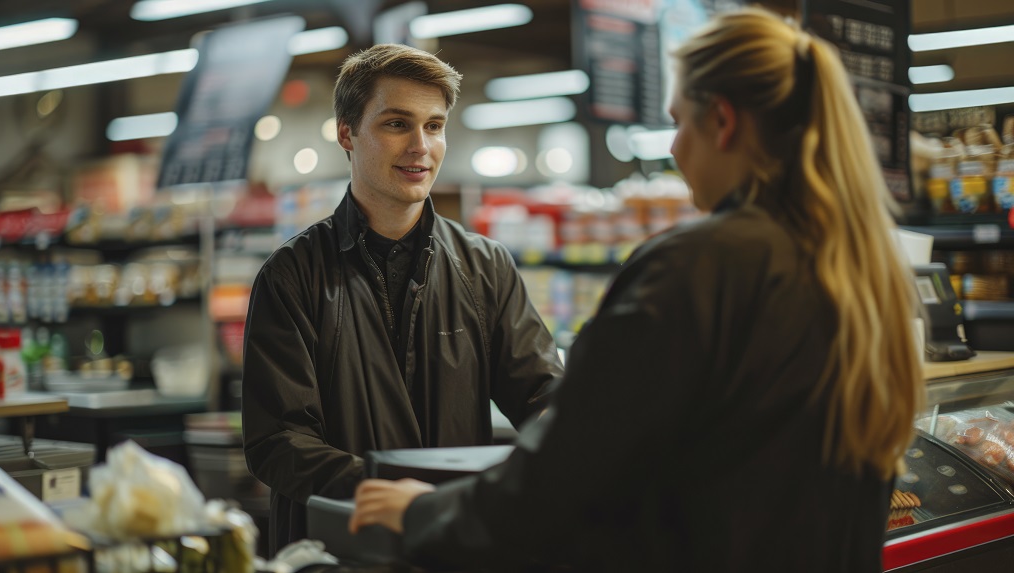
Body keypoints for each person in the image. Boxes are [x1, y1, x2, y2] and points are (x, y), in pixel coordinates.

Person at [349, 8, 924, 572]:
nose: (674, 150)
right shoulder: (862, 266)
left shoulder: (699, 265)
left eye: (681, 123)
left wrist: (423, 512)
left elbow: (569, 476)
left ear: (722, 122)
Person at [241, 43, 564, 554]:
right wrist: (393, 492)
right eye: (397, 124)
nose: (421, 146)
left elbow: (544, 398)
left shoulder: (486, 267)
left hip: (452, 546)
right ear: (347, 133)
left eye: (434, 126)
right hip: (339, 547)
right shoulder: (292, 275)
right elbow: (279, 442)